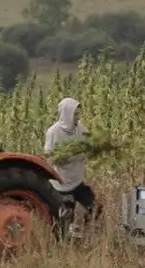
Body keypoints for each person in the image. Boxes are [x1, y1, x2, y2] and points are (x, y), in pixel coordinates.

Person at [43, 97, 101, 229]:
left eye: (78, 114)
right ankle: (66, 243)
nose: (77, 117)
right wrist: (67, 155)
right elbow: (49, 158)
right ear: (66, 114)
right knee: (65, 219)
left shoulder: (80, 129)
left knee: (95, 208)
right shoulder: (53, 132)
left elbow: (91, 144)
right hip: (61, 185)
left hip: (77, 182)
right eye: (75, 114)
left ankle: (86, 231)